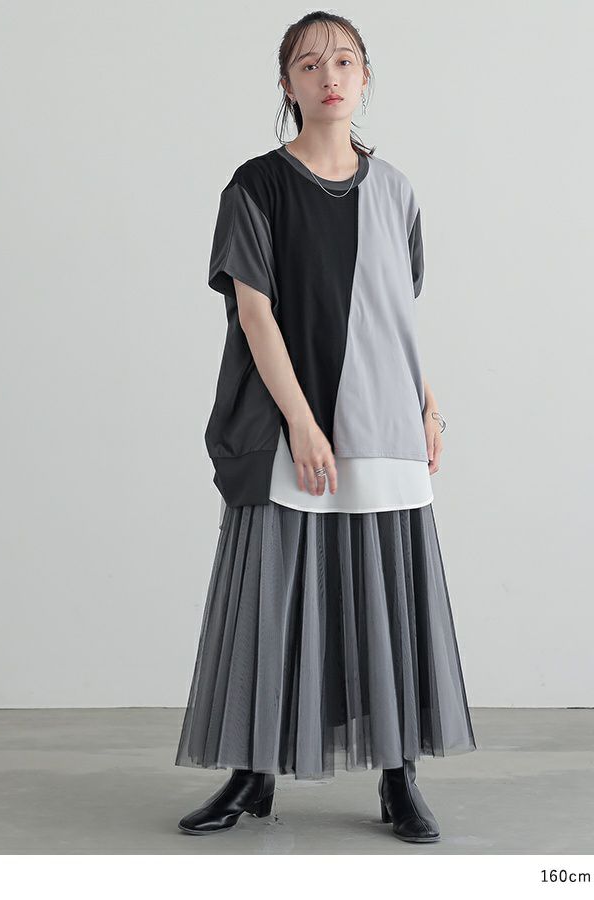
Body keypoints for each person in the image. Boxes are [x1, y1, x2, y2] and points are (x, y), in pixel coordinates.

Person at [174, 10, 477, 844]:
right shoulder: (256, 186)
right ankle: (253, 775)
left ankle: (399, 778)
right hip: (293, 425)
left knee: (387, 600)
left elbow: (393, 314)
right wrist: (303, 424)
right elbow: (256, 314)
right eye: (309, 64)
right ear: (287, 85)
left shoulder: (398, 190)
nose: (329, 75)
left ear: (366, 77)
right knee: (274, 598)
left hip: (385, 420)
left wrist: (427, 405)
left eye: (344, 60)